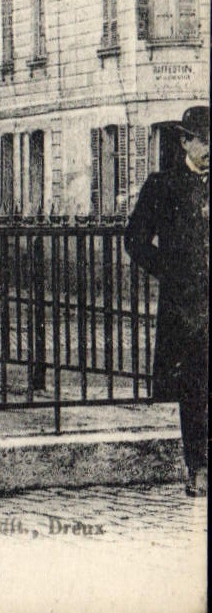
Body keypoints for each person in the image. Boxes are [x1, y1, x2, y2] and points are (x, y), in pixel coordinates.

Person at [124, 104, 209, 495]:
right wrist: (170, 271)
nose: (209, 148)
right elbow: (135, 241)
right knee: (193, 388)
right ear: (185, 142)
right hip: (186, 308)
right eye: (203, 141)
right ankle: (198, 468)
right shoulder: (163, 186)